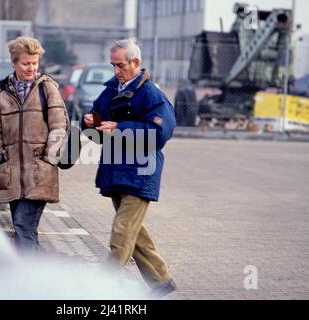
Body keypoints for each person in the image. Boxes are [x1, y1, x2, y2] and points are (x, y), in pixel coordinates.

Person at [81, 38, 177, 298]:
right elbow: (97, 134)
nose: (116, 71)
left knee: (122, 232)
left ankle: (100, 286)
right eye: (113, 65)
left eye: (121, 65)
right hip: (115, 172)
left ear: (136, 62)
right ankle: (161, 283)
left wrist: (119, 128)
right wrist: (89, 122)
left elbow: (161, 133)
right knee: (135, 234)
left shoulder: (152, 95)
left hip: (140, 174)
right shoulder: (110, 91)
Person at [0, 36, 69, 251]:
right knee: (25, 229)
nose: (31, 68)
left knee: (23, 226)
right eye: (26, 63)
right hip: (11, 173)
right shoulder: (0, 93)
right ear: (14, 63)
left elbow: (59, 126)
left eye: (34, 63)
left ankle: (26, 280)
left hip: (38, 172)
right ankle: (39, 277)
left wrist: (48, 158)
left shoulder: (47, 88)